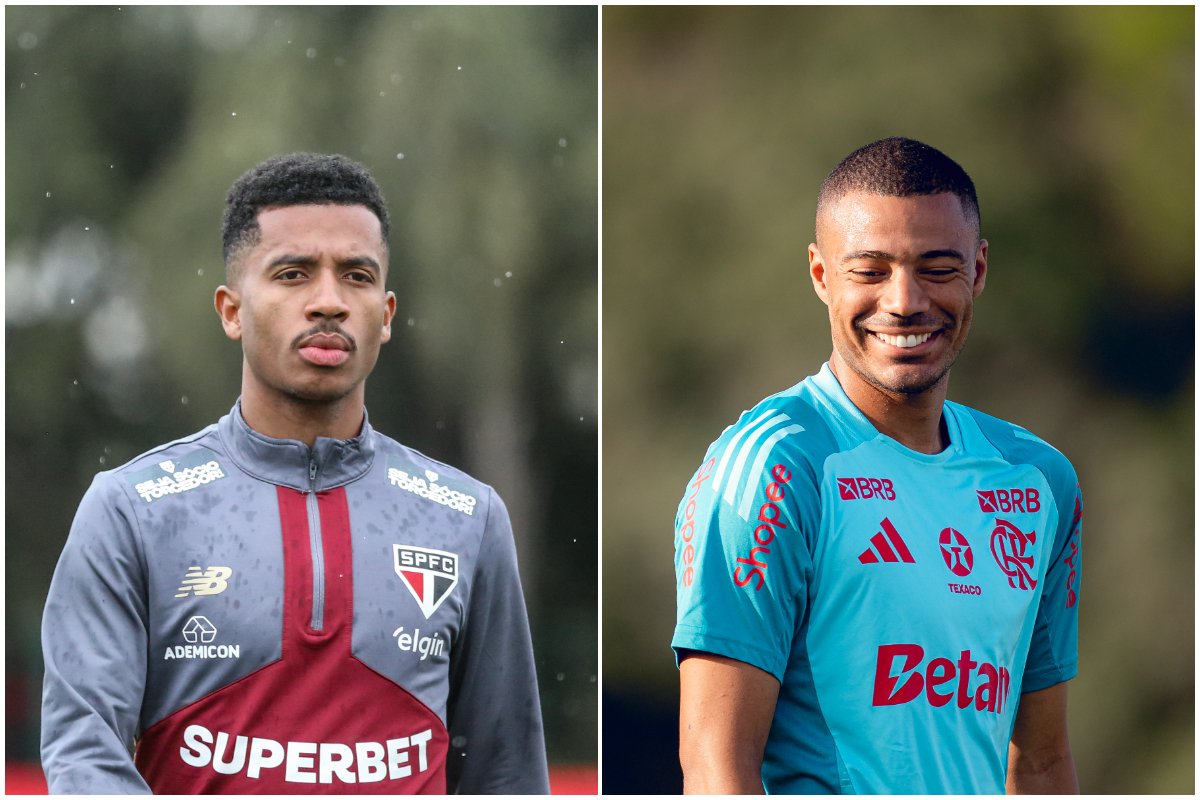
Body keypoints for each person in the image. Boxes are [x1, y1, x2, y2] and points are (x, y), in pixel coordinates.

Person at [41, 153, 550, 794]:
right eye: (293, 274)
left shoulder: (466, 516)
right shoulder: (132, 509)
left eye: (357, 276)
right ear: (232, 310)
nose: (329, 302)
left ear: (387, 314)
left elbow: (507, 773)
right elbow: (85, 757)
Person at [673, 137, 1082, 794]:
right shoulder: (773, 468)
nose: (904, 301)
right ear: (820, 275)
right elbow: (715, 762)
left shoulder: (1039, 481)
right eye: (870, 270)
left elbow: (1041, 763)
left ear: (978, 270)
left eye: (937, 267)